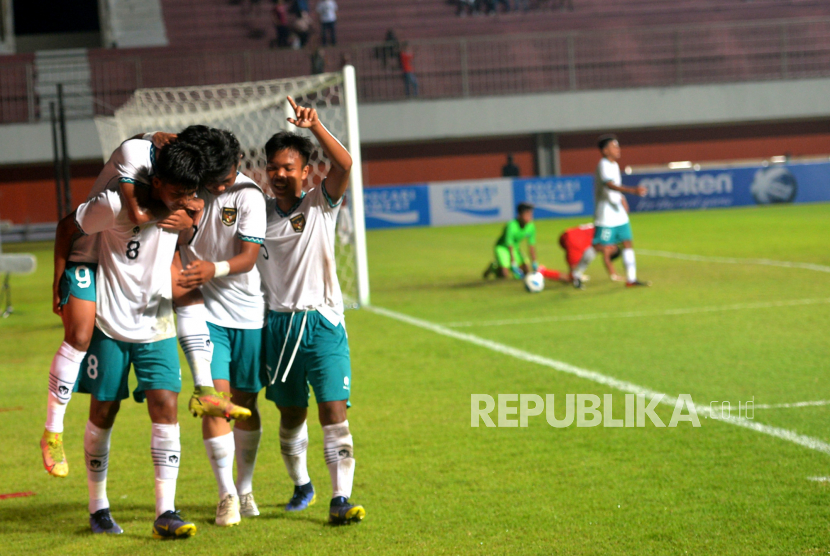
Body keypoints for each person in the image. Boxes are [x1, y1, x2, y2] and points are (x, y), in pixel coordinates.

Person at [42, 133, 247, 480]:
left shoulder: (177, 179)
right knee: (79, 334)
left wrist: (191, 219)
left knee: (185, 284)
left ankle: (204, 388)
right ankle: (52, 432)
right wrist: (57, 277)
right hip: (85, 255)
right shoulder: (132, 163)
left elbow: (180, 224)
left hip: (129, 266)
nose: (194, 197)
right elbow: (132, 213)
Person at [55, 140, 205, 537]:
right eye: (177, 193)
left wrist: (190, 222)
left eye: (189, 193)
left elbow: (187, 243)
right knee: (104, 412)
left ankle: (166, 511)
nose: (184, 199)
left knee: (165, 408)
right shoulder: (116, 205)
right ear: (156, 183)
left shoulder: (183, 207)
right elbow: (70, 227)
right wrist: (61, 277)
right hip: (110, 319)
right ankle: (98, 507)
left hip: (156, 321)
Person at [257, 96, 365, 525]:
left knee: (333, 410)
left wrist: (315, 126)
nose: (280, 174)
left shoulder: (320, 203)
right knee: (291, 415)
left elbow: (345, 165)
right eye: (274, 167)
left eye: (289, 167)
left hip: (322, 323)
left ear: (304, 172)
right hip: (277, 328)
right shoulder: (256, 214)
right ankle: (302, 484)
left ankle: (340, 499)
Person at [170, 127, 267, 527]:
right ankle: (225, 494)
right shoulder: (192, 186)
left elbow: (248, 257)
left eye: (224, 178)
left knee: (247, 406)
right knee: (215, 400)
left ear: (238, 163)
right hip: (203, 311)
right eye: (213, 182)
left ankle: (244, 488)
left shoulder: (248, 195)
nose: (219, 186)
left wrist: (214, 268)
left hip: (248, 312)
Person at [570, 134, 650, 289]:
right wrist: (632, 191)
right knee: (598, 246)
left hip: (618, 215)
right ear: (605, 150)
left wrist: (622, 200)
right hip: (606, 216)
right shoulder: (603, 165)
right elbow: (610, 185)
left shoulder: (613, 165)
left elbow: (615, 188)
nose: (618, 149)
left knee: (627, 243)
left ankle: (631, 279)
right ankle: (577, 274)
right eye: (614, 146)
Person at [483, 202, 538, 279]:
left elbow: (531, 245)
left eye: (531, 214)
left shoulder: (531, 226)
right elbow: (509, 245)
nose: (530, 217)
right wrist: (513, 263)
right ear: (520, 215)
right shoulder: (511, 226)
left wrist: (534, 262)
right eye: (527, 214)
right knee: (504, 275)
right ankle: (494, 267)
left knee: (526, 271)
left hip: (515, 248)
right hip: (502, 248)